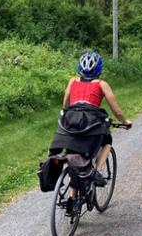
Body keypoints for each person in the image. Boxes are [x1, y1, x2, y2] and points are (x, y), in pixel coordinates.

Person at [55, 51, 132, 186]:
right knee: (107, 140)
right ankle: (96, 171)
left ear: (80, 68)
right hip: (90, 122)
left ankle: (73, 200)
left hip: (71, 122)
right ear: (99, 69)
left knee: (74, 155)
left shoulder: (72, 81)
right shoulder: (102, 84)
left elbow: (65, 104)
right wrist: (125, 122)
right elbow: (116, 111)